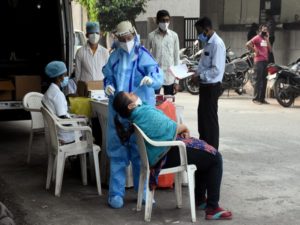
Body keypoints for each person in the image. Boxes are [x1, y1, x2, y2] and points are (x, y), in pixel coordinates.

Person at [113, 91, 232, 220]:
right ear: (130, 106)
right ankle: (212, 208)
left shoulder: (139, 113)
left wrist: (181, 130)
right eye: (130, 95)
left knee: (204, 154)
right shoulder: (143, 114)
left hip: (163, 152)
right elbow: (168, 127)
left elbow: (166, 127)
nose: (133, 93)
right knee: (215, 158)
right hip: (166, 155)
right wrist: (184, 127)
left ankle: (200, 199)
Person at [102, 20, 163, 209]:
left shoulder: (143, 56)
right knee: (118, 156)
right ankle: (116, 194)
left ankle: (143, 193)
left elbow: (158, 77)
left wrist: (150, 80)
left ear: (133, 35)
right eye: (122, 39)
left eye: (128, 38)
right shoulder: (114, 58)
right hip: (117, 113)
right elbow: (107, 77)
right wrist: (108, 87)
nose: (126, 41)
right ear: (117, 39)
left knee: (140, 156)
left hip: (138, 113)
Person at [194, 16, 226, 150]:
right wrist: (194, 71)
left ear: (207, 29)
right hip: (205, 86)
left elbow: (216, 69)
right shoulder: (208, 42)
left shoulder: (217, 44)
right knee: (203, 118)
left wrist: (200, 76)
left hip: (212, 87)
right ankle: (204, 146)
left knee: (210, 120)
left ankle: (212, 149)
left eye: (200, 32)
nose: (199, 35)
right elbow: (205, 65)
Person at [147, 10, 180, 95]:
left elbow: (176, 58)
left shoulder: (174, 36)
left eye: (167, 20)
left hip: (170, 77)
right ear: (157, 21)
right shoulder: (151, 36)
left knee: (168, 104)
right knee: (153, 103)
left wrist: (177, 81)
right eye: (162, 20)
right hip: (155, 76)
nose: (165, 23)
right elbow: (146, 57)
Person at [42, 61, 75, 144]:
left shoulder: (49, 92)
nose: (67, 77)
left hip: (56, 132)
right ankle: (76, 156)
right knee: (87, 129)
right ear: (58, 78)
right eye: (65, 75)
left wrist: (73, 116)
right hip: (64, 136)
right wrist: (77, 122)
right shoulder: (57, 94)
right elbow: (63, 119)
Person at [246, 24, 272, 105]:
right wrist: (255, 50)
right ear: (260, 30)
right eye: (263, 30)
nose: (265, 31)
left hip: (265, 62)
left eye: (266, 30)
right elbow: (247, 44)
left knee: (264, 80)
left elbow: (270, 50)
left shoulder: (265, 39)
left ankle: (262, 99)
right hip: (258, 61)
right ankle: (256, 99)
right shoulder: (257, 37)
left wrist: (267, 39)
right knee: (258, 80)